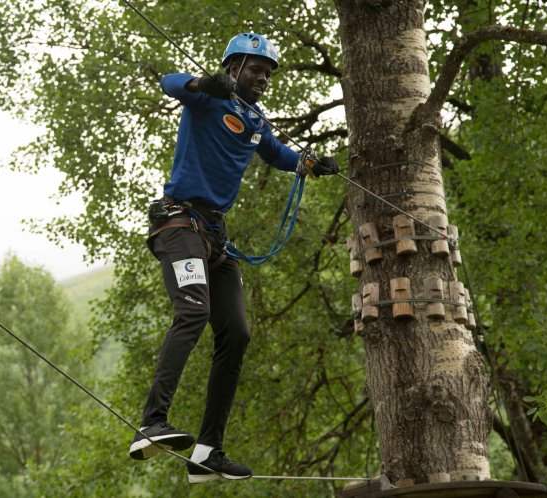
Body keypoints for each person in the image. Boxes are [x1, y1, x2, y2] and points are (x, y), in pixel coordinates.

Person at [129, 32, 339, 483]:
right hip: (179, 224)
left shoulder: (256, 119)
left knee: (237, 333)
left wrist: (308, 164)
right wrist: (202, 85)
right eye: (255, 69)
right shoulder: (207, 100)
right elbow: (170, 81)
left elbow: (277, 153)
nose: (263, 77)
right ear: (233, 68)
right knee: (192, 311)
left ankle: (207, 451)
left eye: (267, 72)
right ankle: (151, 422)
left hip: (214, 238)